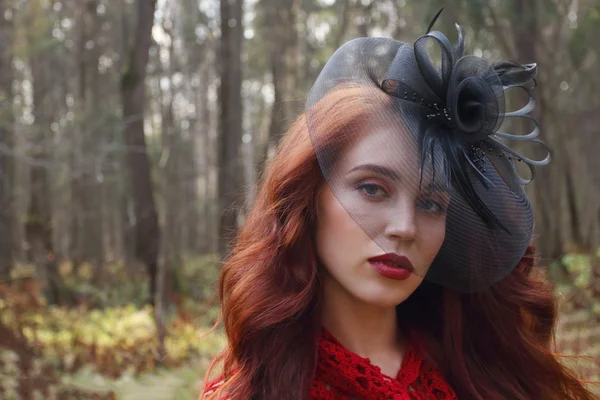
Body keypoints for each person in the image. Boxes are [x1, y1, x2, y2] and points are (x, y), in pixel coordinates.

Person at [201, 9, 598, 400]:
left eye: (431, 204)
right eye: (373, 189)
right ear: (309, 200)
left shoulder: (486, 373)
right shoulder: (253, 390)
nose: (404, 227)